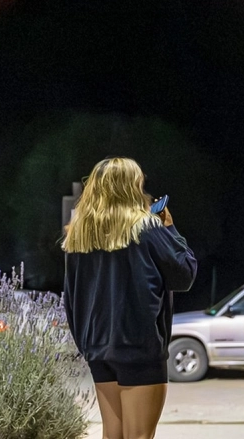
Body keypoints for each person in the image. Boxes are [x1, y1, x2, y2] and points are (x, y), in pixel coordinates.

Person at [62, 157, 198, 439]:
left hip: (98, 346)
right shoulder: (147, 229)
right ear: (130, 188)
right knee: (139, 435)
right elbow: (183, 275)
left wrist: (87, 343)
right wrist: (170, 229)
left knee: (114, 434)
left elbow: (71, 297)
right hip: (139, 345)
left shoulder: (79, 236)